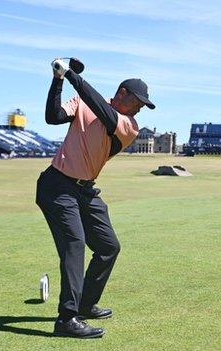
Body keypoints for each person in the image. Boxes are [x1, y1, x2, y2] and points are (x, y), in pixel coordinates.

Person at [35, 58, 155, 339]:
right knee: (74, 245)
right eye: (138, 101)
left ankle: (86, 304)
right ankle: (67, 319)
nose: (140, 108)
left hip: (85, 190)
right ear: (122, 92)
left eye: (143, 105)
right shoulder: (82, 102)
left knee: (108, 246)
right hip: (57, 186)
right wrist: (58, 79)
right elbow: (53, 117)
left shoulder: (128, 125)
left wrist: (72, 74)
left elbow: (101, 109)